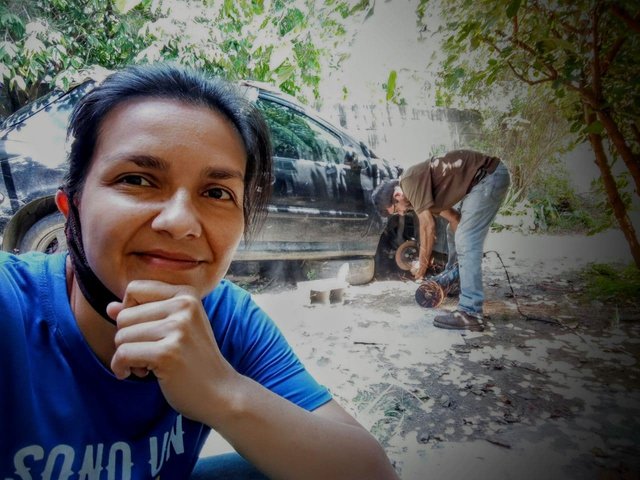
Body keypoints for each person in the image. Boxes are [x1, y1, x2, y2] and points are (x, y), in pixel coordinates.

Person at [0, 63, 399, 479]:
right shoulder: (10, 307)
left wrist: (223, 393)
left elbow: (373, 471)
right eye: (137, 179)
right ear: (72, 207)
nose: (180, 221)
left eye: (216, 192)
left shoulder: (227, 319)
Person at [372, 149, 510, 332]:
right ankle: (452, 281)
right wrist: (458, 263)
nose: (402, 213)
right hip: (483, 182)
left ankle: (470, 312)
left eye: (396, 210)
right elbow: (454, 218)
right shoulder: (421, 194)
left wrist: (422, 266)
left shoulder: (408, 181)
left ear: (397, 196)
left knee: (466, 240)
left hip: (488, 177)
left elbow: (427, 227)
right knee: (454, 233)